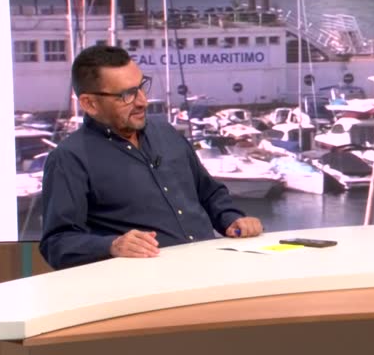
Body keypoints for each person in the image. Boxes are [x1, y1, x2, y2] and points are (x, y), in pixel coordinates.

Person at [40, 46, 264, 269]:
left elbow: (209, 193)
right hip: (142, 284)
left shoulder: (166, 132)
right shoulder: (69, 158)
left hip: (209, 270)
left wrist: (231, 218)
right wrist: (112, 246)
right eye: (126, 95)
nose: (142, 101)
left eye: (141, 87)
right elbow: (57, 244)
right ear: (90, 104)